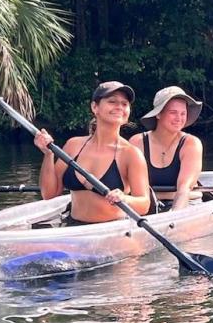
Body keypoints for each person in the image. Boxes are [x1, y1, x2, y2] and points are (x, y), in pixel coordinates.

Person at [33, 81, 153, 224]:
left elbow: (144, 204)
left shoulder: (131, 154)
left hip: (114, 231)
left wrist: (124, 198)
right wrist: (48, 154)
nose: (119, 107)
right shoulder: (74, 145)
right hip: (75, 227)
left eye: (124, 103)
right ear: (95, 107)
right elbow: (49, 194)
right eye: (112, 101)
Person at [129, 85, 204, 211]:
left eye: (183, 113)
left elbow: (184, 189)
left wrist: (174, 218)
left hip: (185, 204)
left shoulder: (191, 143)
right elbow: (129, 188)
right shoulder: (137, 142)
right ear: (158, 114)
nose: (179, 119)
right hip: (146, 205)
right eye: (173, 113)